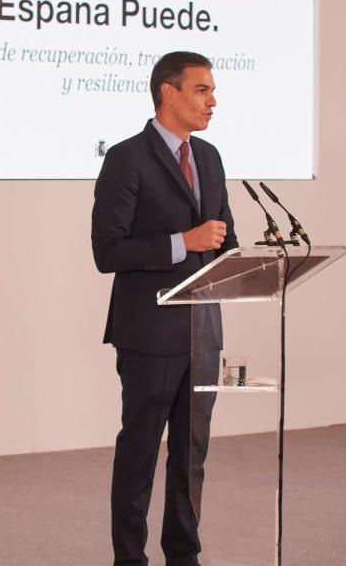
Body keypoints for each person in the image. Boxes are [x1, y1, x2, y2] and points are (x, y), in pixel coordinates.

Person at [91, 51, 238, 566]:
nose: (212, 101)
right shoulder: (127, 158)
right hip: (149, 332)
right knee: (140, 453)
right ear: (168, 93)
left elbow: (225, 241)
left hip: (203, 331)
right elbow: (107, 252)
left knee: (191, 455)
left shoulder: (212, 158)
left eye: (213, 90)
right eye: (202, 90)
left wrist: (237, 255)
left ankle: (184, 554)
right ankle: (129, 558)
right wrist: (183, 241)